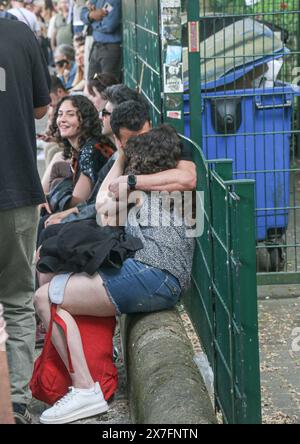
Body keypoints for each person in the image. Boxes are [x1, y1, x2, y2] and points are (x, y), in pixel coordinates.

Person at [34, 122, 195, 424]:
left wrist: (122, 161)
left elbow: (101, 207)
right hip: (164, 277)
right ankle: (88, 381)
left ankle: (84, 389)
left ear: (140, 160)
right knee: (56, 290)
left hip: (152, 274)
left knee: (45, 297)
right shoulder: (173, 189)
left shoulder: (136, 191)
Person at [0, 17, 50, 423]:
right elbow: (40, 107)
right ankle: (15, 405)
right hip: (16, 186)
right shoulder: (20, 35)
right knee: (17, 302)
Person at [81, 0, 122, 80]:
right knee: (91, 83)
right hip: (96, 45)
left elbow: (109, 26)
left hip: (110, 49)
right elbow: (82, 13)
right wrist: (91, 15)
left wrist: (92, 23)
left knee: (106, 85)